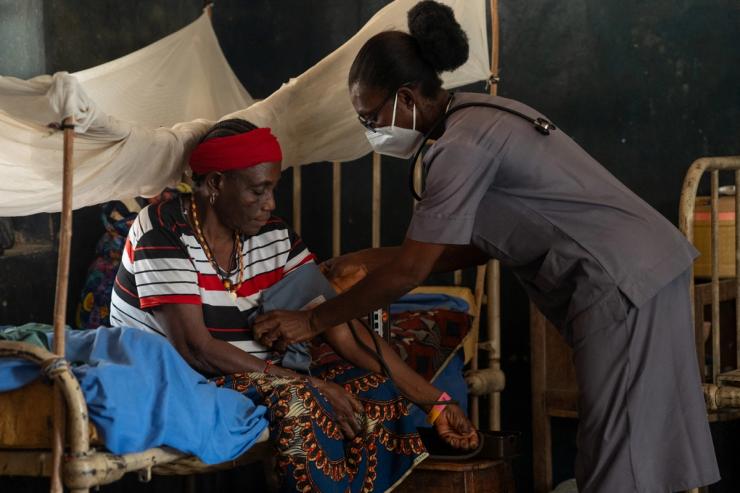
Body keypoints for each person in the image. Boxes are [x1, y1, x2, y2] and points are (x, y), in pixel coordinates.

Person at [253, 2, 720, 492]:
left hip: (618, 279)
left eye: (371, 116)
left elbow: (414, 269)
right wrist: (365, 261)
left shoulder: (459, 148)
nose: (370, 131)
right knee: (638, 437)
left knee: (617, 446)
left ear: (407, 99)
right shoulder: (480, 116)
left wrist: (310, 320)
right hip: (645, 267)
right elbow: (468, 246)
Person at [109, 118, 478, 493]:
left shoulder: (272, 235)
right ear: (217, 184)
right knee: (304, 404)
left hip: (254, 374)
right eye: (258, 190)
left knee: (374, 391)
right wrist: (312, 385)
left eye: (274, 188)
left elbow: (343, 331)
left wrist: (436, 402)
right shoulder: (163, 231)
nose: (270, 204)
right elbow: (196, 350)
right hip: (183, 379)